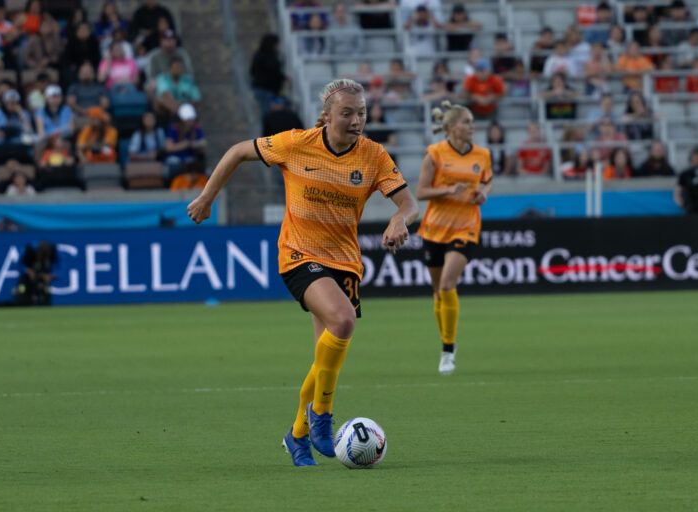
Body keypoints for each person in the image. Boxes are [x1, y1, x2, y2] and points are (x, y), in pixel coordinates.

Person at [186, 78, 418, 467]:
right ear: (326, 116)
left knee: (324, 359)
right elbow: (237, 152)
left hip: (344, 261)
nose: (356, 120)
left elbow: (409, 204)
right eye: (347, 113)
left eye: (361, 112)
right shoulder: (296, 143)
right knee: (343, 321)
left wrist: (400, 219)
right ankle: (321, 418)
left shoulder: (374, 156)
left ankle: (296, 435)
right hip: (299, 253)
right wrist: (207, 197)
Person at [415, 101, 492, 375]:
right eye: (466, 122)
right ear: (451, 127)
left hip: (466, 226)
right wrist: (448, 190)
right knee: (437, 292)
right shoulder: (435, 153)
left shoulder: (482, 154)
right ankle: (447, 340)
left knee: (448, 284)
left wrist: (484, 192)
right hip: (435, 228)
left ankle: (448, 350)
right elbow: (421, 192)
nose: (471, 127)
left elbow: (487, 180)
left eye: (472, 122)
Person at [250, 33, 286, 117]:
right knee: (268, 114)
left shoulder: (259, 55)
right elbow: (273, 71)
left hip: (263, 88)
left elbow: (252, 71)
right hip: (266, 89)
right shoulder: (268, 57)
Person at [15, 241, 57, 306]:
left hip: (41, 280)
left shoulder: (53, 253)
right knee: (22, 292)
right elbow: (19, 265)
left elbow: (59, 269)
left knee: (44, 294)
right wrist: (27, 270)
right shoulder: (28, 251)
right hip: (26, 280)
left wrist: (51, 275)